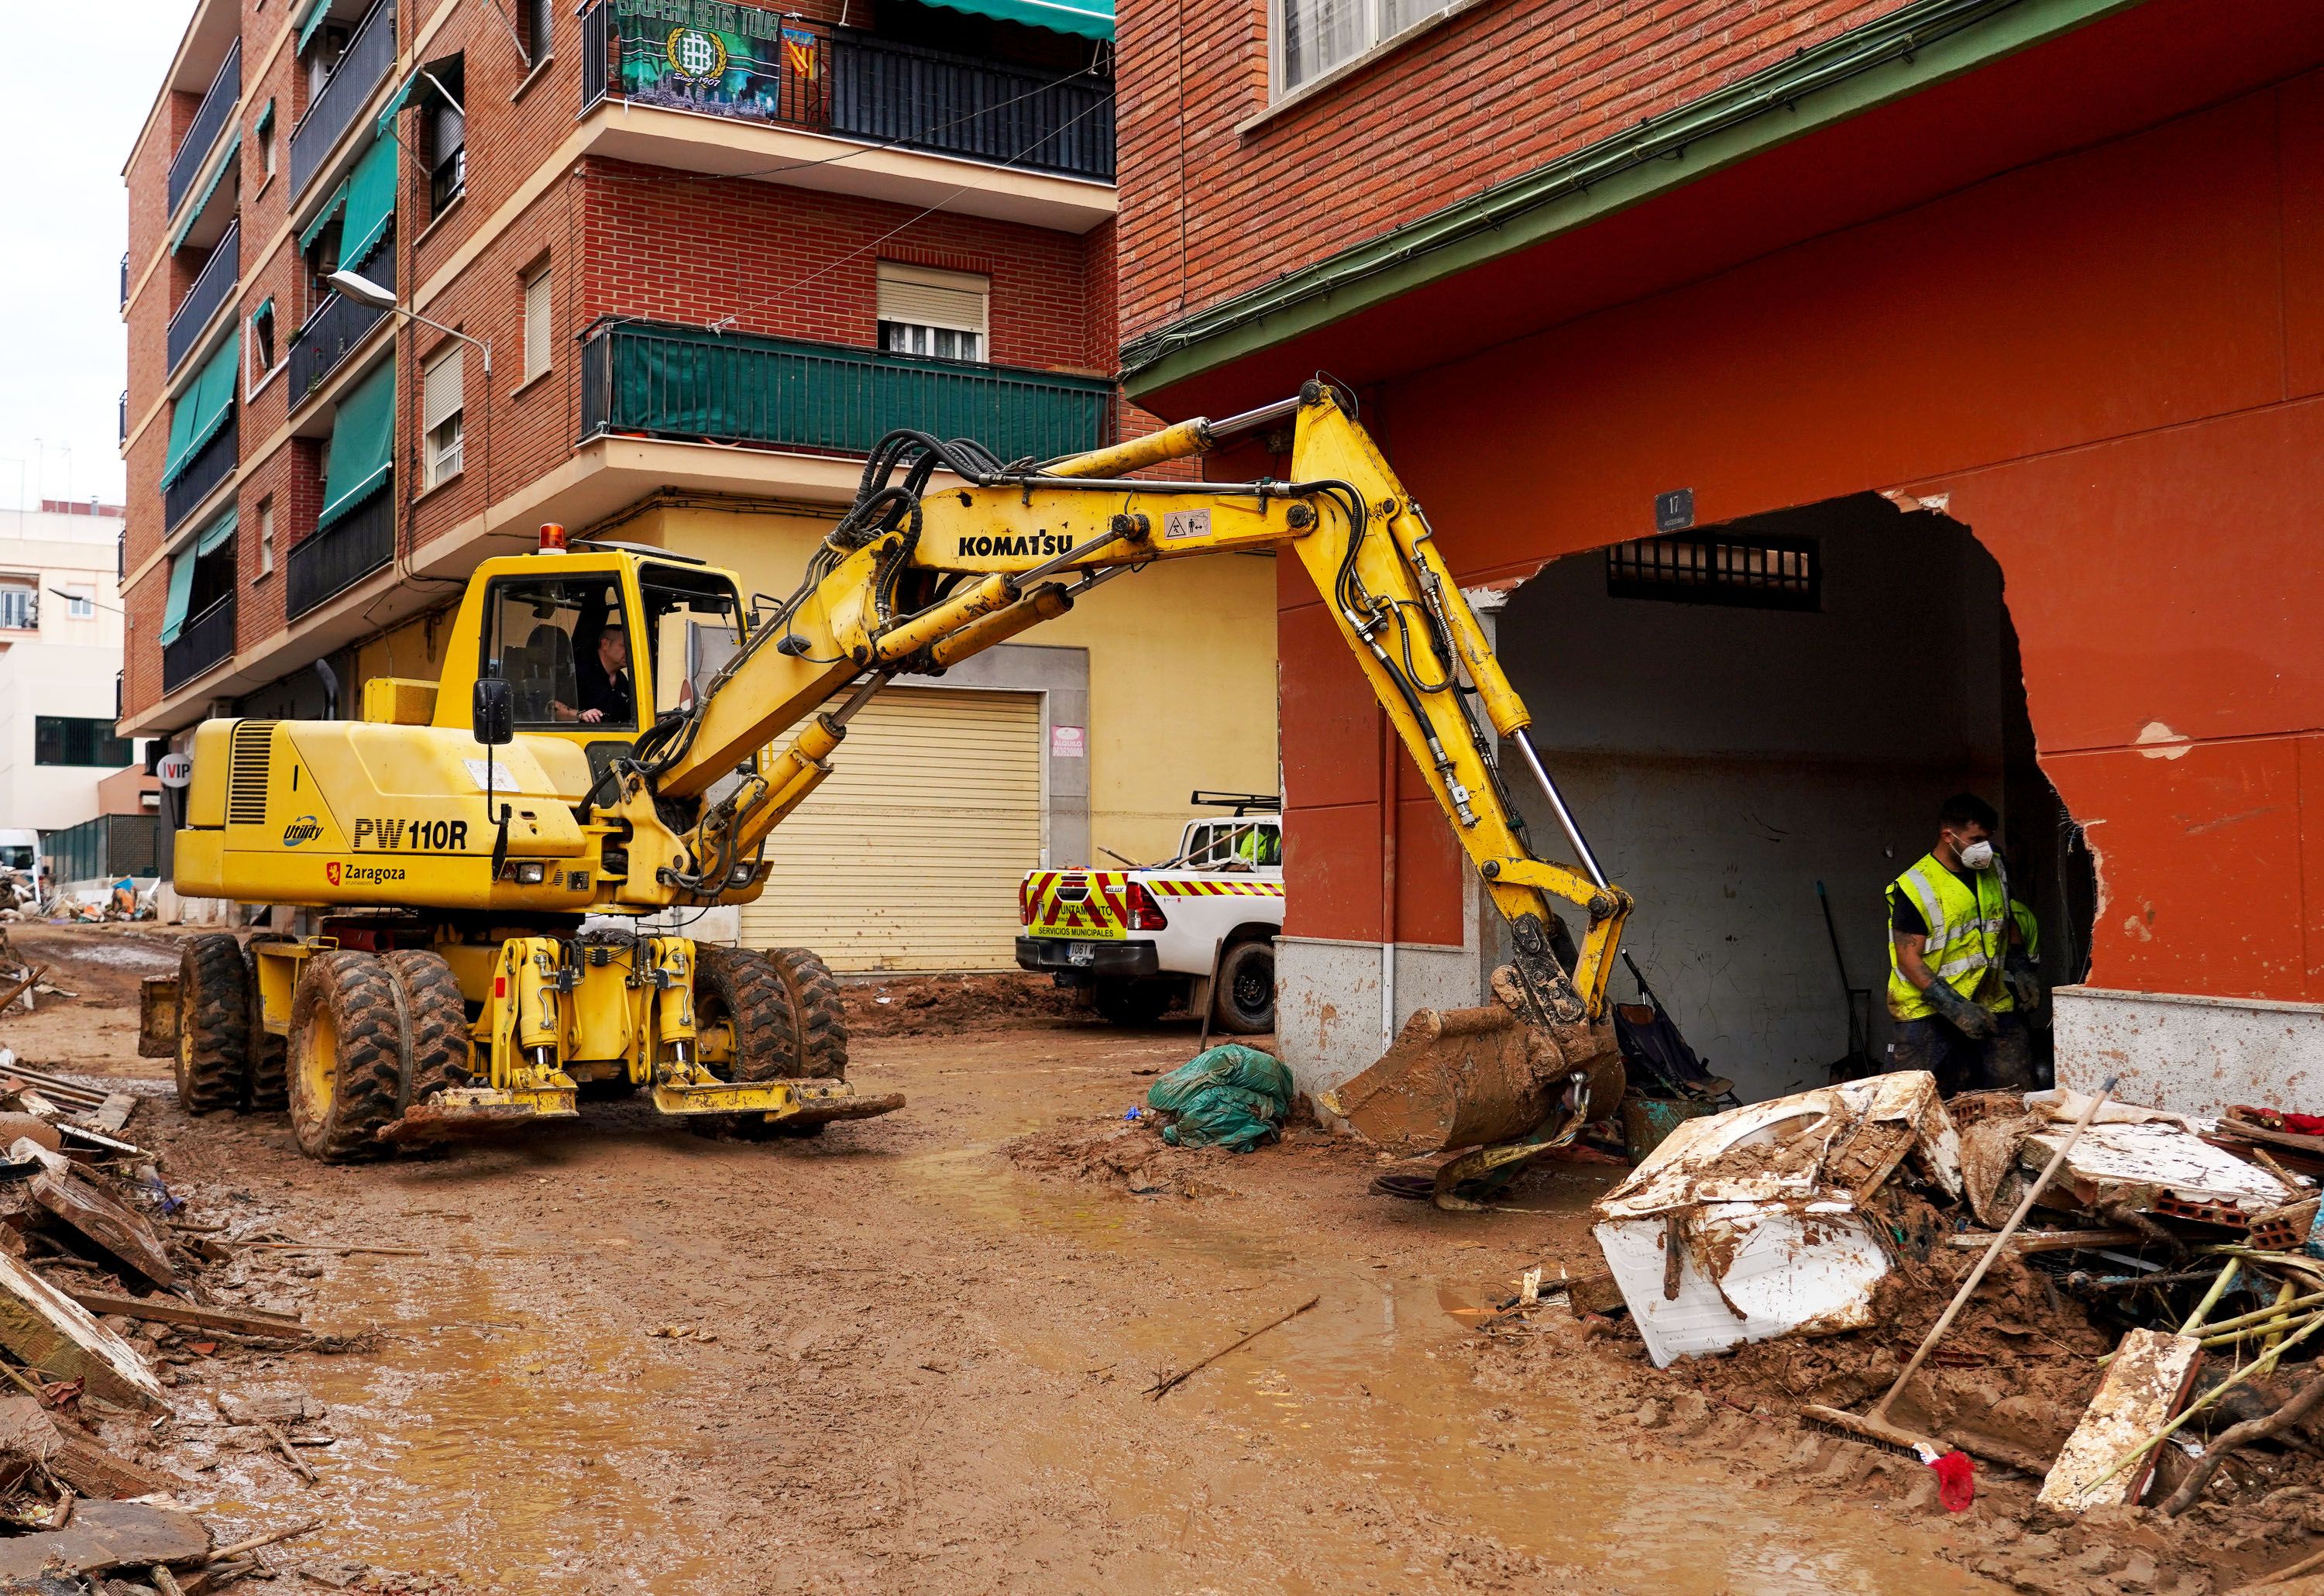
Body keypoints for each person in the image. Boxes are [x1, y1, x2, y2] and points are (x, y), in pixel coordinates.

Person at [1886, 793, 2040, 1094]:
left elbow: (2005, 918)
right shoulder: (1916, 886)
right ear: (1948, 835)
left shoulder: (1995, 867)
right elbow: (1908, 958)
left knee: (2015, 1094)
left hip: (1989, 999)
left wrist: (2021, 966)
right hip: (1928, 1008)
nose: (1984, 848)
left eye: (1988, 839)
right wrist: (1954, 1006)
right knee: (1911, 1101)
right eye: (1976, 839)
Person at [555, 596, 635, 727]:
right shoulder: (579, 672)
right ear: (605, 644)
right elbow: (551, 707)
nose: (629, 653)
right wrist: (580, 714)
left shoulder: (622, 681)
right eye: (624, 646)